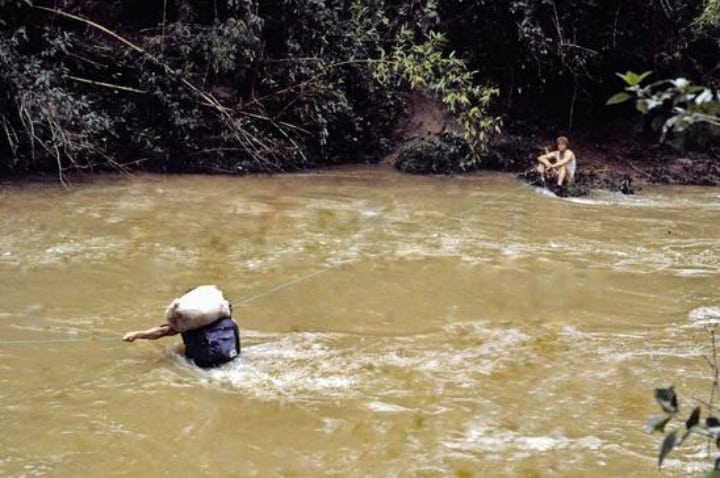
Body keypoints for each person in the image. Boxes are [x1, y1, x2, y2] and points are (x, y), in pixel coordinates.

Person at [124, 312, 241, 369]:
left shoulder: (188, 321)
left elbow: (161, 332)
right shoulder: (225, 317)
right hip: (232, 358)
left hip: (205, 366)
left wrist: (136, 334)